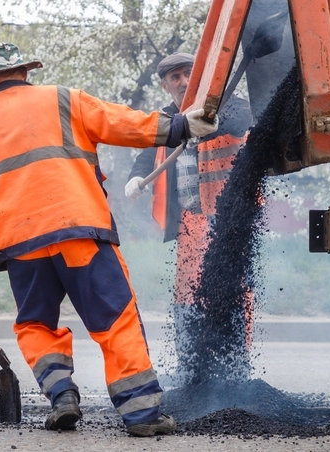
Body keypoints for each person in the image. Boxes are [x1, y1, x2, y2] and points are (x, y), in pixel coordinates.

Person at [0, 43, 218, 437]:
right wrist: (180, 127)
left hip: (20, 244)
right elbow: (122, 123)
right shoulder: (64, 99)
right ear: (24, 72)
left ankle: (62, 395)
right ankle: (142, 414)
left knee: (35, 322)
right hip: (77, 229)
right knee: (115, 318)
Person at [124, 52, 253, 359]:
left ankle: (237, 361)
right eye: (175, 77)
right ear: (165, 85)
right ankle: (190, 361)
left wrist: (213, 121)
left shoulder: (226, 105)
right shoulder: (166, 122)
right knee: (188, 292)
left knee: (234, 289)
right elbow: (146, 153)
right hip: (190, 221)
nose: (183, 82)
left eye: (188, 74)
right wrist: (136, 177)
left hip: (228, 220)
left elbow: (245, 119)